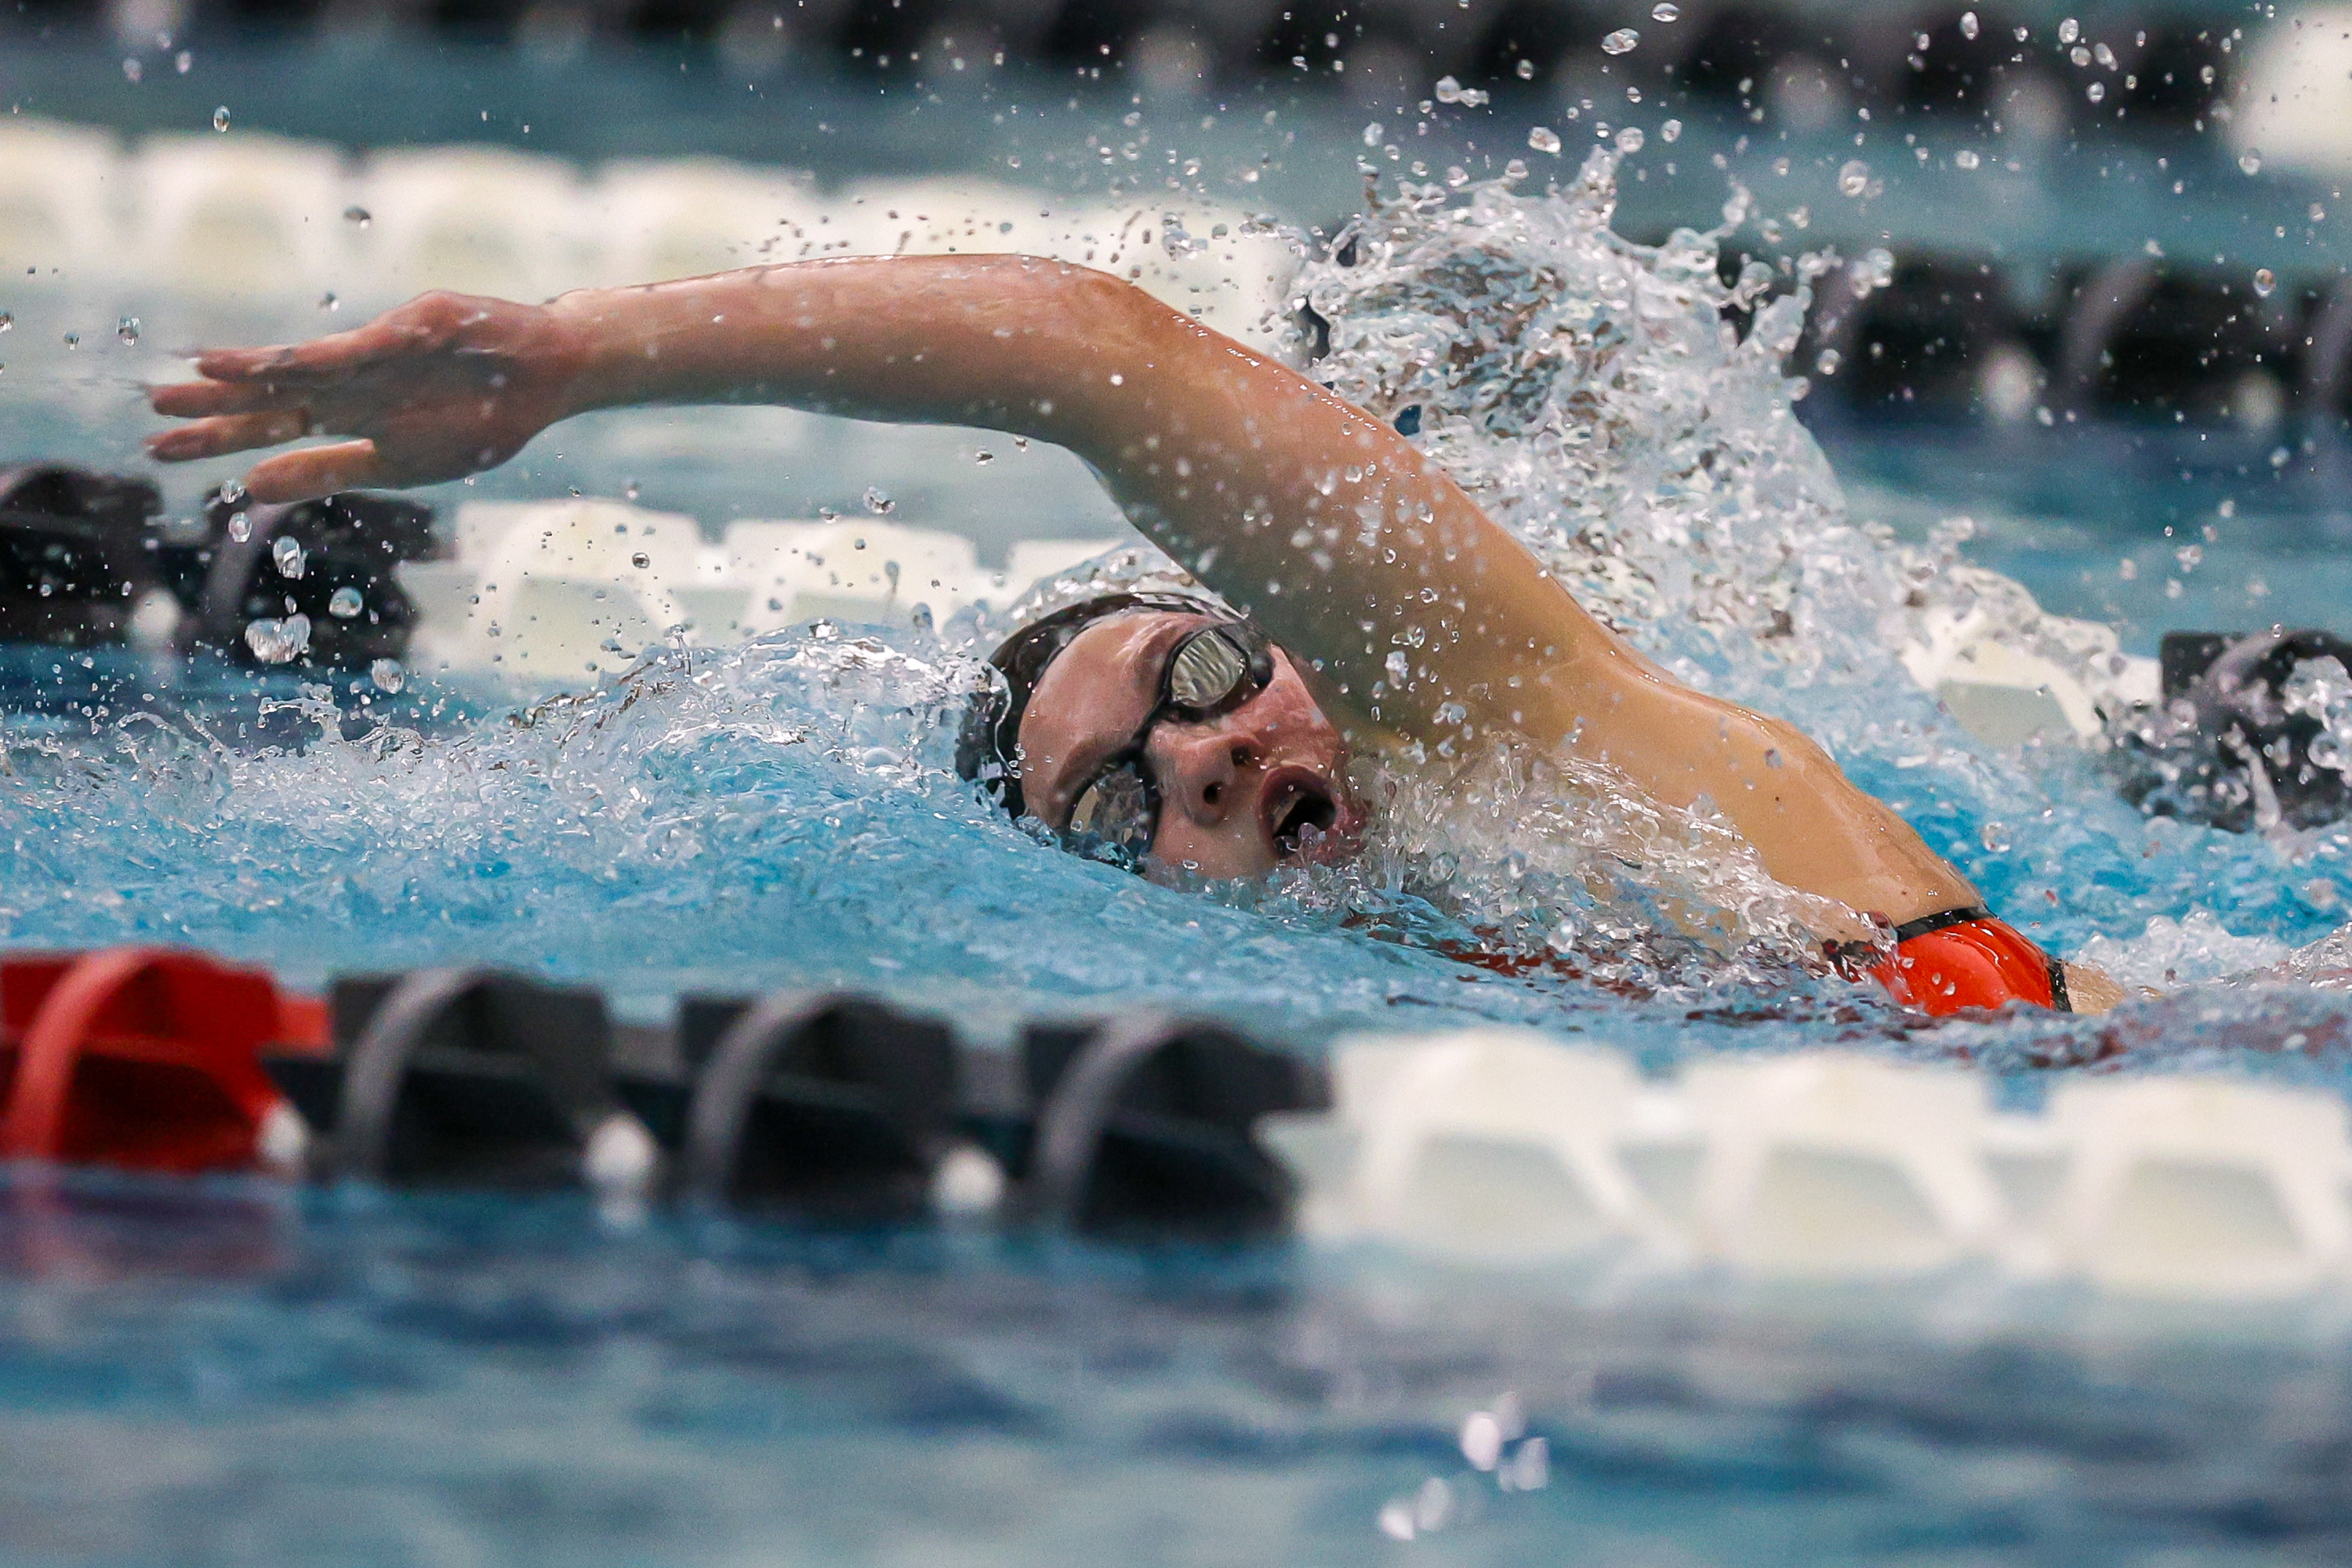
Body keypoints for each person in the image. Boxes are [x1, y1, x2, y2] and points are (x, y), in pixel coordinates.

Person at [143, 254, 2121, 1016]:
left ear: (1277, 635)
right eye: (1121, 805)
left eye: (1191, 679)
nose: (1202, 752)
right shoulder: (1394, 963)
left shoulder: (1507, 724)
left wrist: (589, 358)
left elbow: (1098, 360)